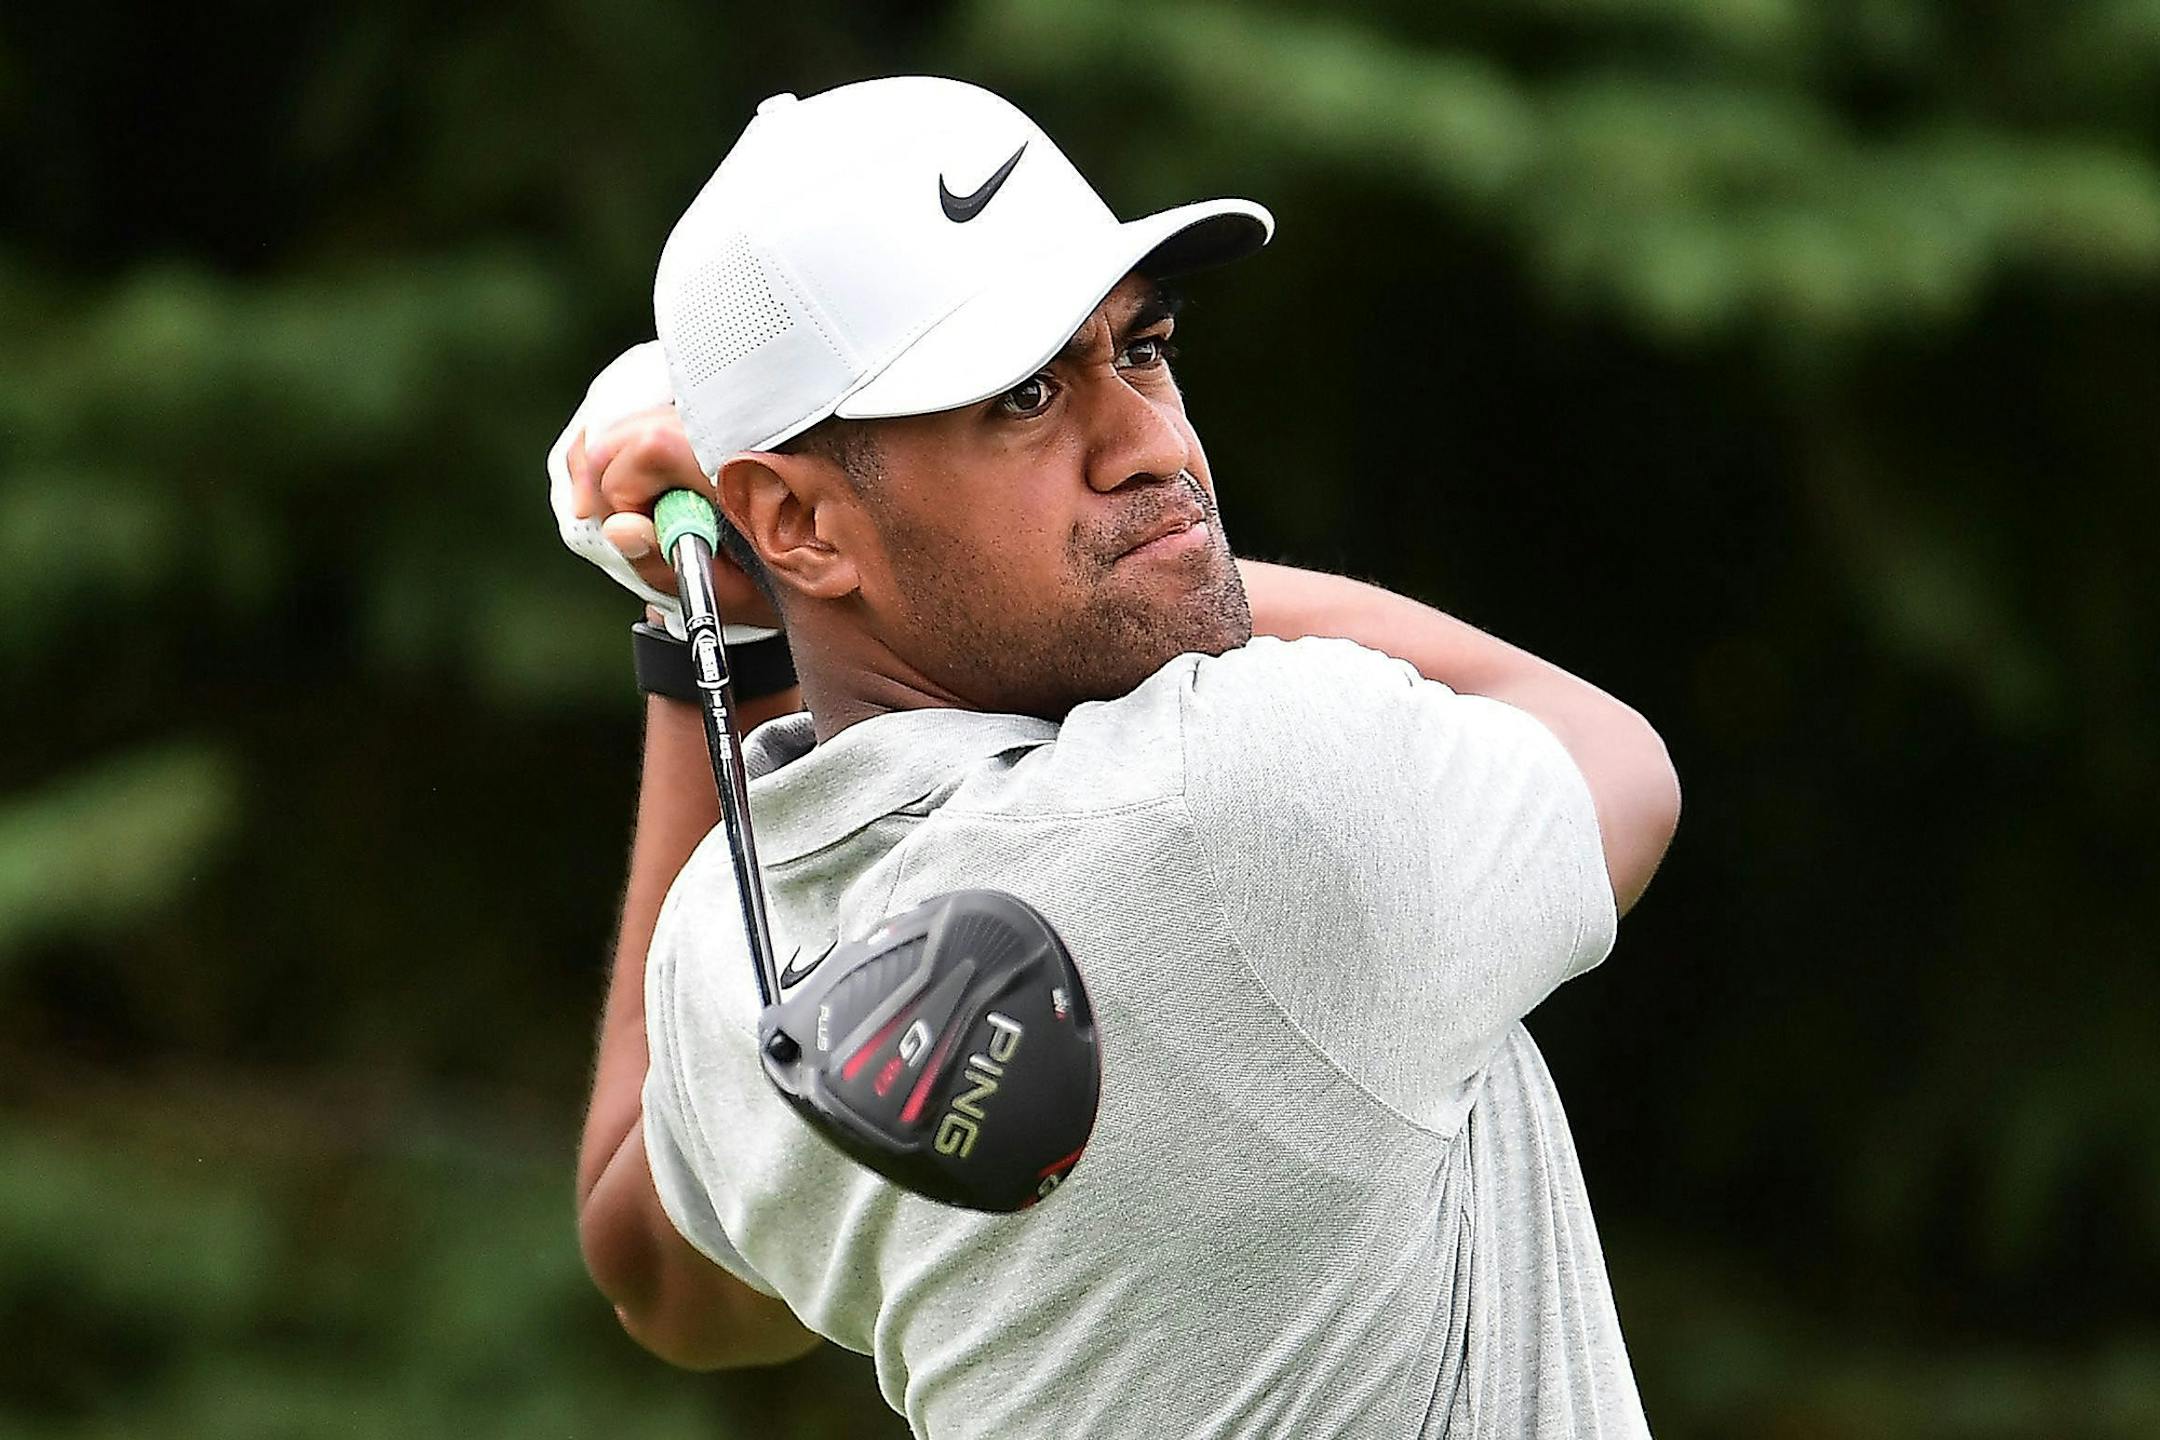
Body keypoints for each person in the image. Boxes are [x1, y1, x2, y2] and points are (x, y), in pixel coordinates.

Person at [555, 77, 1679, 1438]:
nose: (1153, 446)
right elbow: (1614, 757)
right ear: (795, 518)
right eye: (1024, 393)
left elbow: (656, 1275)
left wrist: (714, 635)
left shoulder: (742, 946)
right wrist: (1147, 571)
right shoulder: (1240, 796)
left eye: (1140, 348)